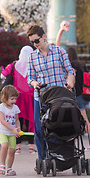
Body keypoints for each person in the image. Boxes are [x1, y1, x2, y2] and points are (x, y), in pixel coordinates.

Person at [27, 24, 75, 160]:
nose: (35, 44)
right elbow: (30, 77)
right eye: (32, 42)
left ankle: (61, 156)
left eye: (37, 41)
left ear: (44, 37)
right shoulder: (32, 57)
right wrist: (34, 83)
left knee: (59, 126)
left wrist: (70, 82)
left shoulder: (59, 51)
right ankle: (42, 158)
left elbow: (69, 71)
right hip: (41, 97)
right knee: (39, 128)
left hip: (59, 95)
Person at [1, 46, 36, 154]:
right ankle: (31, 146)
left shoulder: (14, 65)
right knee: (31, 120)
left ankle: (18, 146)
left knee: (17, 120)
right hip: (31, 97)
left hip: (17, 97)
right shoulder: (34, 65)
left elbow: (2, 76)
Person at [70, 58, 90, 151]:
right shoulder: (83, 73)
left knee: (80, 121)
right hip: (83, 98)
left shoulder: (74, 74)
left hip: (78, 98)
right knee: (82, 120)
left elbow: (71, 85)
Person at [0, 85, 21, 176]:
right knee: (5, 145)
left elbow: (17, 120)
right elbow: (2, 121)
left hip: (12, 133)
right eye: (12, 99)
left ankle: (9, 168)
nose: (14, 101)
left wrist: (18, 129)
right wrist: (13, 129)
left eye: (15, 99)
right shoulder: (0, 108)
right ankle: (2, 165)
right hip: (2, 132)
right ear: (5, 98)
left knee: (12, 150)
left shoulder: (15, 108)